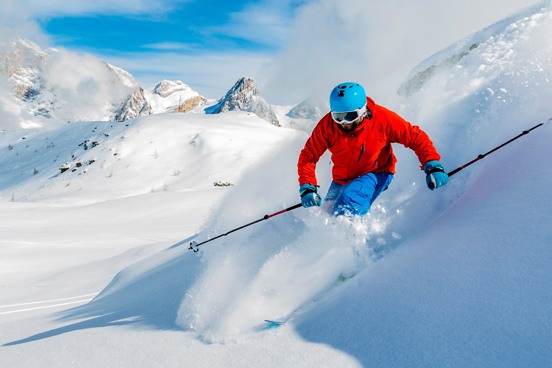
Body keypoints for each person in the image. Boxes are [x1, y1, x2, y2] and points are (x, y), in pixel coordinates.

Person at [297, 82, 448, 217]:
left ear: (362, 111)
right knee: (327, 214)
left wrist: (432, 164)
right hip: (341, 179)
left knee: (347, 205)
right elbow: (309, 155)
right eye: (338, 116)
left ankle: (350, 244)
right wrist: (307, 186)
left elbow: (415, 136)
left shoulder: (382, 119)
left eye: (350, 116)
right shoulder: (327, 126)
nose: (343, 123)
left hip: (376, 172)